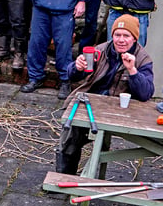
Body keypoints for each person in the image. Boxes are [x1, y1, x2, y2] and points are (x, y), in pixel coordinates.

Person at [57, 15, 154, 174]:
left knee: (104, 142)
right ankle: (63, 177)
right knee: (71, 130)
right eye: (117, 35)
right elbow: (72, 76)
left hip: (122, 110)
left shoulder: (143, 59)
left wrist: (132, 70)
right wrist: (77, 67)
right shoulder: (100, 50)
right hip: (92, 101)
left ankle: (94, 173)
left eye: (126, 36)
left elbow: (145, 94)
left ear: (135, 38)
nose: (121, 40)